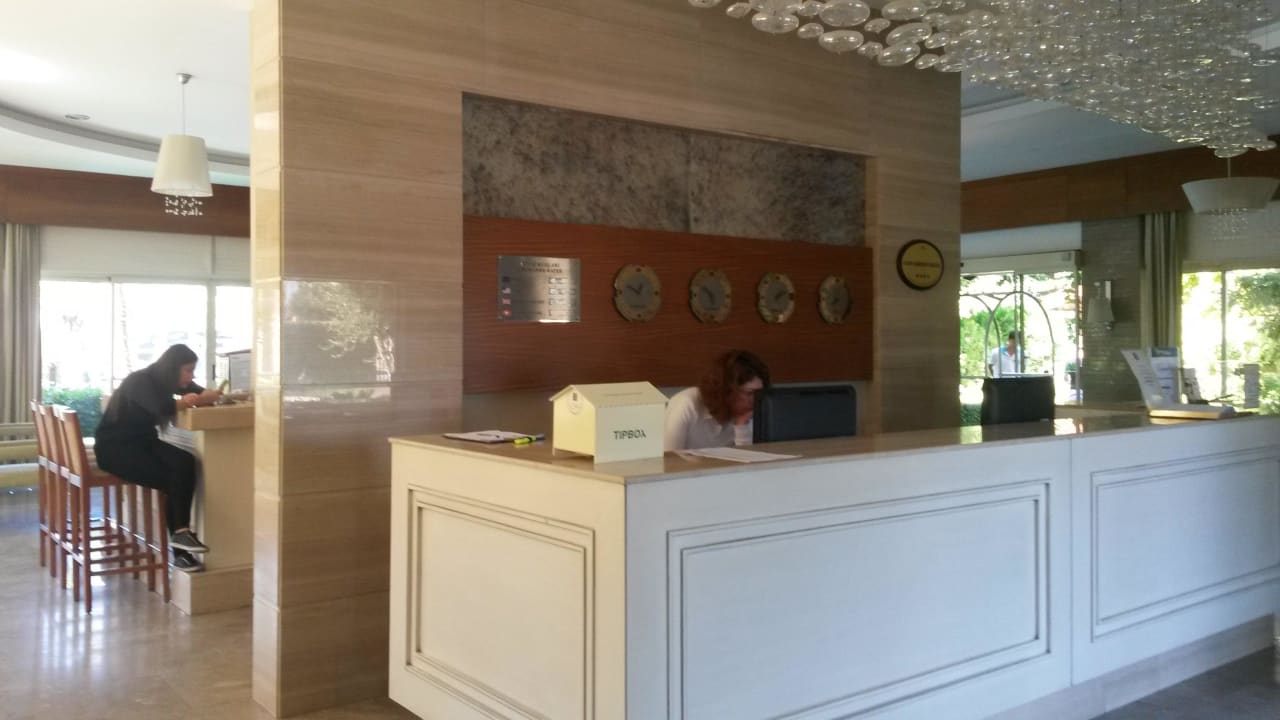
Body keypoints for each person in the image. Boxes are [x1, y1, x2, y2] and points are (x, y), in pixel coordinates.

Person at [94, 344, 221, 573]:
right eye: (188, 370)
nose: (191, 376)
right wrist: (193, 400)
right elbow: (161, 407)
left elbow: (199, 393)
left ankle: (181, 537)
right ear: (173, 368)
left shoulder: (168, 381)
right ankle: (181, 549)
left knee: (185, 462)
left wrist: (209, 396)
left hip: (143, 443)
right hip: (115, 449)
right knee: (175, 480)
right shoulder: (140, 381)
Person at [665, 350, 770, 451]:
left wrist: (742, 426)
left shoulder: (751, 413)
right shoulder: (686, 404)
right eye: (749, 393)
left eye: (759, 393)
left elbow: (751, 459)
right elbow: (667, 459)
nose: (756, 399)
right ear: (726, 390)